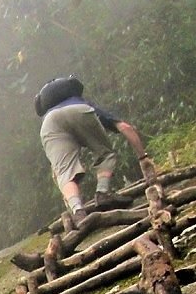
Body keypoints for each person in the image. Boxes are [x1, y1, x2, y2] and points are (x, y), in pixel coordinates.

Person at [35, 76, 152, 227]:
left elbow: (56, 171)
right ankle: (102, 193)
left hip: (49, 124)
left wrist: (66, 199)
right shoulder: (80, 102)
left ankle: (78, 212)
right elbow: (125, 128)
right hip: (80, 111)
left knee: (65, 172)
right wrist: (143, 157)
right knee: (105, 154)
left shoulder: (47, 117)